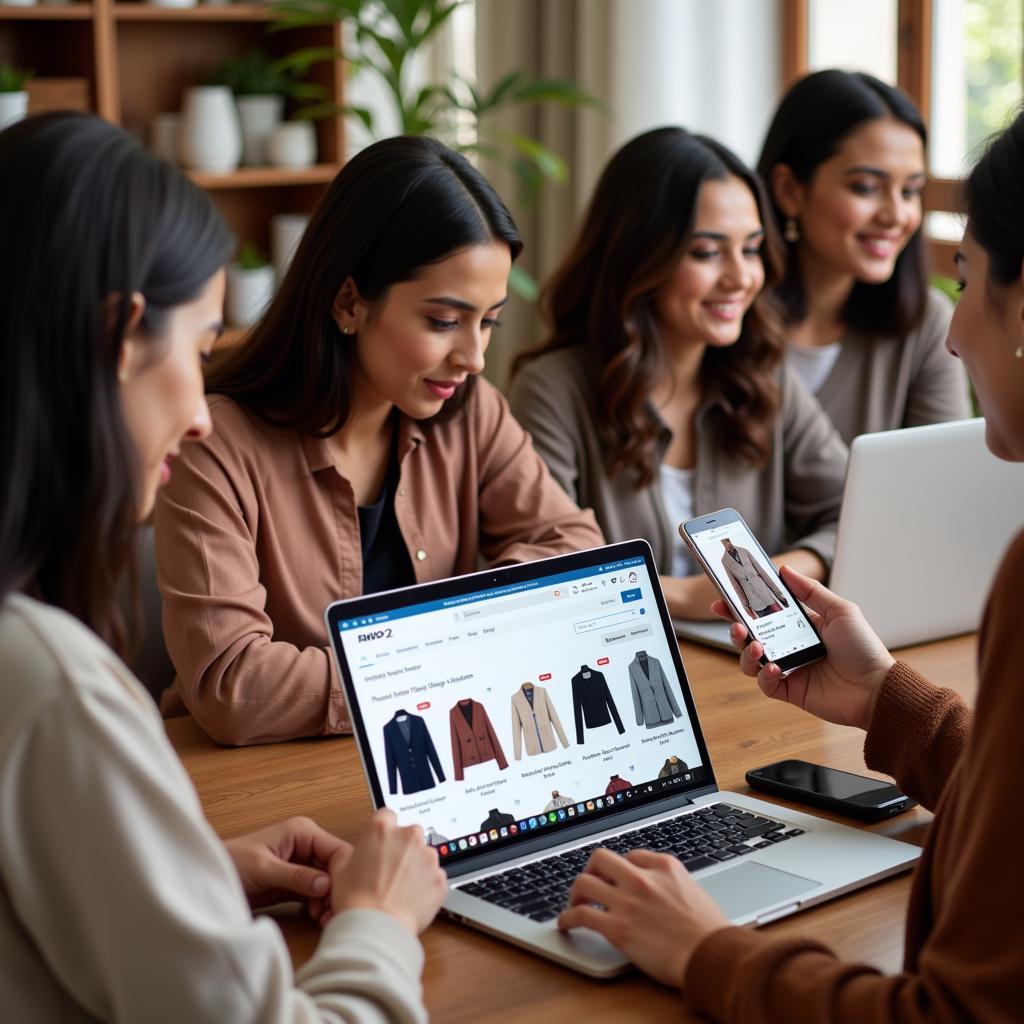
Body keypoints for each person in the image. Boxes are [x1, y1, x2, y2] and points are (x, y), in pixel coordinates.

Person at [557, 111, 1024, 1022]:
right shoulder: (562, 387)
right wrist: (889, 699)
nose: (954, 334)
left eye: (964, 281)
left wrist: (706, 951)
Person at [0, 112, 446, 1021]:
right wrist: (378, 922)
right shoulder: (52, 688)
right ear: (124, 336)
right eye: (200, 352)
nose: (200, 412)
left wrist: (183, 874)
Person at [154, 136, 603, 746]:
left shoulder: (469, 411)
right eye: (443, 321)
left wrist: (443, 646)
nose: (473, 357)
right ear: (349, 301)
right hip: (264, 795)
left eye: (489, 321)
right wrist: (463, 652)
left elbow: (573, 550)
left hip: (432, 770)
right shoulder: (216, 446)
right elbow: (234, 684)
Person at [508, 127, 847, 621]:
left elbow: (854, 511)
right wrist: (688, 596)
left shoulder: (764, 375)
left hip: (752, 669)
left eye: (751, 249)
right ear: (639, 256)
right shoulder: (552, 390)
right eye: (707, 253)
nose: (740, 277)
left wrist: (777, 574)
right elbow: (545, 572)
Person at [757, 69, 971, 444]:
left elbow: (946, 489)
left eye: (910, 191)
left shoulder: (927, 325)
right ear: (789, 189)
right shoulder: (725, 315)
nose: (896, 216)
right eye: (867, 187)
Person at [719, 538, 788, 619]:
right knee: (767, 623)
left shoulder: (744, 551)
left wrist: (778, 593)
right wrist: (746, 606)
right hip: (753, 600)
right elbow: (735, 585)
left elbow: (761, 572)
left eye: (726, 542)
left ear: (729, 540)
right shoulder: (724, 560)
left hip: (765, 593)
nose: (726, 544)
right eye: (723, 542)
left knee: (782, 617)